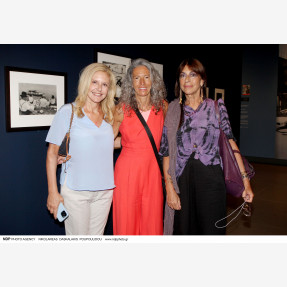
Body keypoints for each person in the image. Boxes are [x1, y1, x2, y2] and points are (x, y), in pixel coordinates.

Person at [160, 58, 254, 235]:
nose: (187, 80)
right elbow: (166, 151)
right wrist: (169, 188)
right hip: (182, 182)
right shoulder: (173, 110)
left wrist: (245, 181)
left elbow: (231, 144)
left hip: (212, 181)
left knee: (212, 232)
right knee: (184, 233)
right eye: (182, 75)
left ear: (202, 80)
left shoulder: (216, 107)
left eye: (192, 74)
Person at [46, 63, 116, 235]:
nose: (99, 89)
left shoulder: (110, 115)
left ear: (109, 89)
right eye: (95, 82)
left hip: (105, 192)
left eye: (104, 84)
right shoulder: (68, 112)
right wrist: (53, 193)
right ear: (86, 83)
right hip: (76, 191)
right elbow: (51, 155)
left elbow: (108, 143)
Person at [112, 58, 168, 235]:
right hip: (127, 173)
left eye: (146, 77)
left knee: (152, 220)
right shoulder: (121, 109)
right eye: (137, 78)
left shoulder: (163, 107)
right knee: (126, 220)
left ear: (154, 80)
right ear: (130, 82)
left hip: (153, 172)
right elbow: (106, 142)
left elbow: (170, 143)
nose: (142, 83)